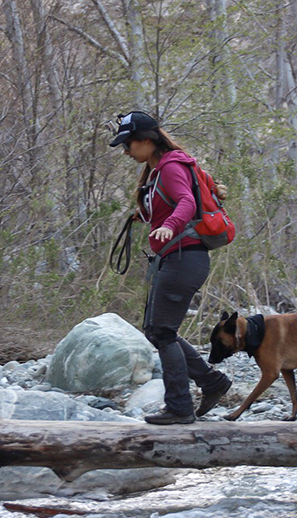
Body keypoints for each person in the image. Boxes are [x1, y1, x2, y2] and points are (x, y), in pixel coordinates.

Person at [108, 111, 233, 425]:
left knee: (162, 332)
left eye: (129, 144)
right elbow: (170, 203)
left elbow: (187, 202)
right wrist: (148, 218)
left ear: (148, 140)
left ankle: (179, 407)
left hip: (184, 258)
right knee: (157, 330)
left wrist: (171, 225)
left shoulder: (171, 166)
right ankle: (211, 382)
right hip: (176, 258)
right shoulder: (156, 171)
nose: (126, 151)